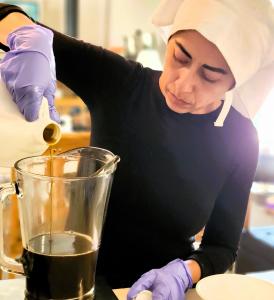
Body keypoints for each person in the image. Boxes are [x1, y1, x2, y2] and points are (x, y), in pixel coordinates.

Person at [0, 0, 273, 299]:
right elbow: (3, 12)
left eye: (210, 76)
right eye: (180, 57)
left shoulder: (240, 137)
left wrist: (184, 272)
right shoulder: (121, 83)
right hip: (79, 279)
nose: (183, 85)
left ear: (236, 79)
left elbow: (222, 247)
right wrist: (28, 37)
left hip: (160, 293)